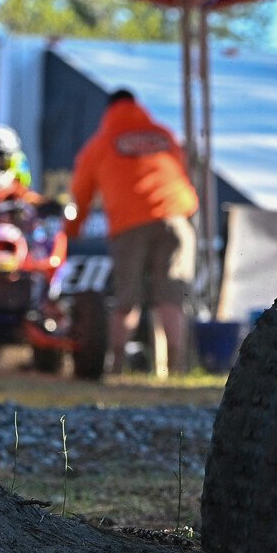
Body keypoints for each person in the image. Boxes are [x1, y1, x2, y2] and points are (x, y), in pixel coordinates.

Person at [64, 89, 198, 377]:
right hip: (176, 219)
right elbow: (181, 172)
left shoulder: (100, 143)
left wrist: (71, 232)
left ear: (109, 111)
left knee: (127, 300)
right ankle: (176, 370)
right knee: (171, 296)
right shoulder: (164, 134)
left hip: (130, 224)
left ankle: (115, 366)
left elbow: (80, 194)